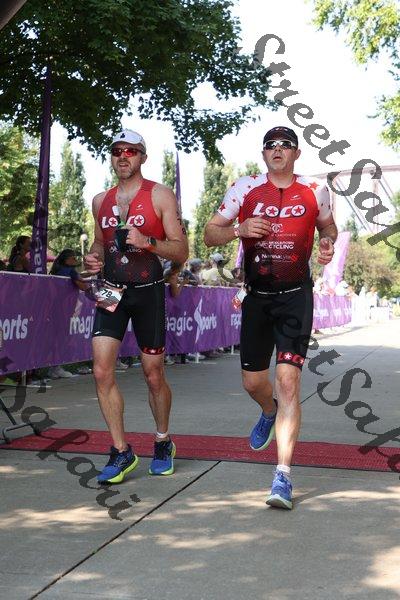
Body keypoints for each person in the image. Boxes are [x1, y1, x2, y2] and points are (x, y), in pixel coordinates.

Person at [204, 125, 337, 509]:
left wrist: (327, 242)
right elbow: (210, 234)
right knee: (252, 382)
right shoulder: (244, 188)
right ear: (263, 154)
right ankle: (268, 410)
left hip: (296, 297)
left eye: (285, 145)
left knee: (288, 381)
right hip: (257, 297)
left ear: (297, 153)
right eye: (270, 145)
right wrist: (239, 229)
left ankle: (283, 476)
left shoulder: (315, 189)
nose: (277, 150)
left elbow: (327, 226)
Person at [83, 128, 188, 484]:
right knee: (101, 370)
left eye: (130, 151)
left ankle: (162, 441)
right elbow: (100, 243)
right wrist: (94, 257)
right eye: (117, 151)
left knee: (153, 372)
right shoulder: (100, 200)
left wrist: (148, 242)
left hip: (147, 290)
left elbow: (181, 250)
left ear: (143, 157)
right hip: (111, 290)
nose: (123, 157)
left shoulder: (159, 194)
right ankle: (121, 450)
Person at [49, 249, 91, 378]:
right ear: (66, 260)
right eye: (73, 258)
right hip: (63, 310)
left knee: (54, 338)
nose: (75, 260)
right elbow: (84, 286)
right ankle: (56, 368)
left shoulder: (56, 270)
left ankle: (53, 368)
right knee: (60, 338)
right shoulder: (70, 271)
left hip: (53, 309)